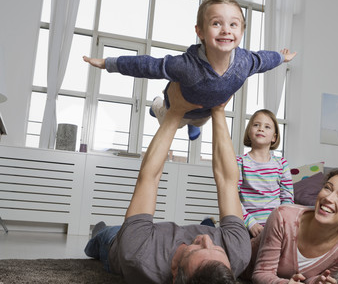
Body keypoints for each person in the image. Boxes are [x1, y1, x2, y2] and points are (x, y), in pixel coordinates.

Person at [84, 82, 251, 284]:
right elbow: (227, 180)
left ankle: (99, 232)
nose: (207, 240)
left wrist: (175, 112)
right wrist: (218, 109)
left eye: (197, 248)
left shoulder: (138, 254)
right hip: (151, 236)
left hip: (120, 243)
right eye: (217, 249)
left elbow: (149, 178)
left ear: (174, 273)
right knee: (211, 232)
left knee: (107, 235)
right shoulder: (237, 253)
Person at [83, 0, 297, 141]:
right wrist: (107, 63)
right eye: (216, 23)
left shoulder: (246, 62)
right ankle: (156, 105)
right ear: (201, 32)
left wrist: (282, 57)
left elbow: (265, 59)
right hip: (178, 106)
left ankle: (196, 124)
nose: (226, 30)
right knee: (173, 122)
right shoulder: (185, 65)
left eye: (233, 24)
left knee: (202, 119)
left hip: (206, 110)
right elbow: (148, 65)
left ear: (241, 31)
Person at [245, 169, 338, 284]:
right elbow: (260, 274)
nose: (328, 198)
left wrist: (317, 281)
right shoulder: (283, 217)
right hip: (237, 267)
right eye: (327, 188)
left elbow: (311, 277)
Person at [237, 109, 294, 238]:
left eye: (267, 127)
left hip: (276, 226)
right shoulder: (239, 162)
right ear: (249, 132)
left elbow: (287, 199)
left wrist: (281, 224)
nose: (261, 129)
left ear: (274, 137)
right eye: (256, 125)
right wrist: (250, 223)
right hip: (247, 225)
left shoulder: (281, 164)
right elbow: (233, 198)